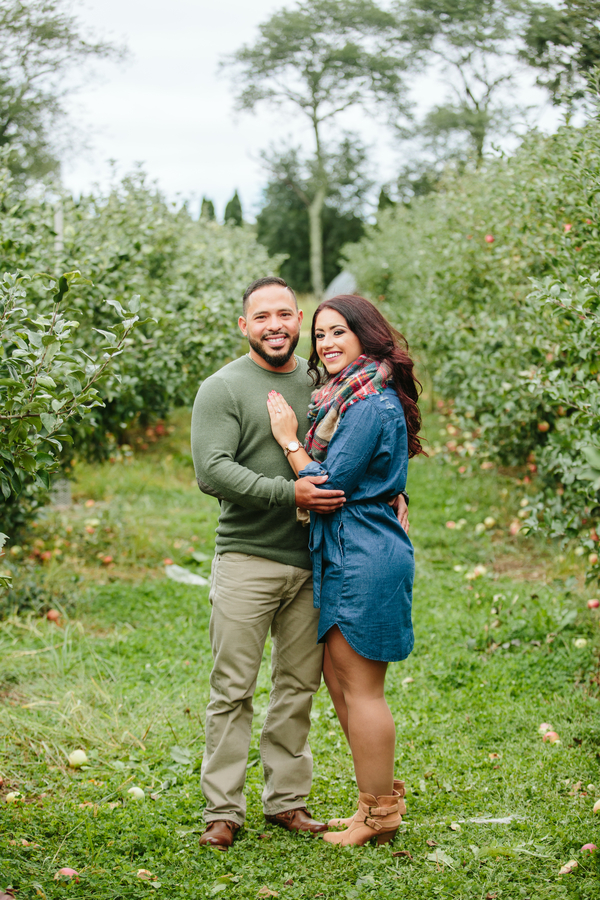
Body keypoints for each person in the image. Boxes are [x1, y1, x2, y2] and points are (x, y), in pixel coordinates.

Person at [190, 276, 349, 851]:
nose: (275, 325)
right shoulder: (224, 388)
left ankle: (286, 802)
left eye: (285, 314)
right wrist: (291, 494)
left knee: (296, 686)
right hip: (247, 558)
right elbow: (212, 471)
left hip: (313, 561)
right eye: (262, 317)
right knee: (232, 687)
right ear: (244, 326)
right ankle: (223, 810)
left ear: (299, 318)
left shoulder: (323, 381)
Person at [266, 293, 423, 847]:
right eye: (322, 335)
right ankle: (371, 808)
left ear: (365, 336)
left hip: (362, 553)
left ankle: (380, 817)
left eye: (339, 333)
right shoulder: (345, 398)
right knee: (341, 683)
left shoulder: (369, 403)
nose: (327, 344)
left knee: (362, 690)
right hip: (345, 549)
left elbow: (329, 485)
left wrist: (288, 439)